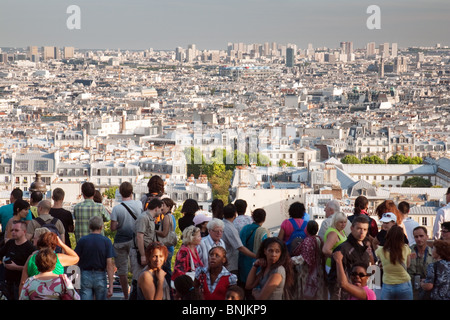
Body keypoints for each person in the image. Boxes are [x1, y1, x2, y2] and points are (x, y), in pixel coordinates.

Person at [110, 181, 143, 300]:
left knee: (122, 271)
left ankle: (126, 295)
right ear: (131, 191)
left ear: (120, 192)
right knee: (136, 269)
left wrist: (120, 224)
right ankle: (136, 294)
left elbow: (113, 228)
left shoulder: (117, 208)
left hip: (120, 241)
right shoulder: (139, 204)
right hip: (135, 240)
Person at [327, 215, 372, 300]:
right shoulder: (343, 249)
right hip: (345, 294)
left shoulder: (366, 247)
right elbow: (336, 279)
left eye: (365, 229)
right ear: (352, 228)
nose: (362, 232)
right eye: (359, 228)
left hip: (361, 292)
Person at [74, 215, 115, 300]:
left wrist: (75, 282)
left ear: (89, 227)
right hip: (100, 274)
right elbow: (109, 265)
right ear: (101, 227)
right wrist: (111, 286)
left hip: (85, 274)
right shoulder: (107, 241)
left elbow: (75, 262)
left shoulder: (83, 240)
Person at [130, 197, 162, 299]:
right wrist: (143, 255)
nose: (161, 212)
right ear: (156, 208)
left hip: (146, 252)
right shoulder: (144, 218)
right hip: (140, 252)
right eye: (161, 209)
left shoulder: (149, 218)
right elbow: (140, 236)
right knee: (138, 280)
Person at [292, 220, 327, 300]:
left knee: (307, 293)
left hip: (308, 272)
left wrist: (289, 260)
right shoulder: (319, 239)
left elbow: (303, 258)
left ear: (307, 229)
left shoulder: (308, 241)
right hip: (319, 271)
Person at [375, 225, 413, 300]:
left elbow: (380, 261)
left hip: (388, 284)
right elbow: (408, 265)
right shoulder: (405, 248)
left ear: (388, 236)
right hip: (404, 283)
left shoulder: (381, 250)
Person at [0, 221, 35, 300]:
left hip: (20, 283)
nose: (13, 232)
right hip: (6, 282)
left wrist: (16, 267)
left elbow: (32, 269)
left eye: (16, 230)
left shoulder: (30, 248)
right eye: (12, 230)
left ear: (24, 232)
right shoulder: (10, 243)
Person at [222, 203, 257, 275]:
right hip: (230, 263)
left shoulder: (222, 224)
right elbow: (240, 247)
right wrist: (256, 256)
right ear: (235, 214)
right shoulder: (230, 228)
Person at [238, 208, 269, 289]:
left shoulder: (245, 228)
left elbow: (240, 245)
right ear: (264, 219)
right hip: (256, 264)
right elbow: (266, 246)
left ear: (253, 217)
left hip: (243, 263)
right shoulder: (263, 232)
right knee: (254, 286)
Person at [407, 226, 434, 300]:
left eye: (421, 236)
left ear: (427, 237)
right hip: (411, 289)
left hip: (428, 291)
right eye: (416, 237)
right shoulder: (407, 252)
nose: (419, 239)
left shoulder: (434, 254)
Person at [155, 197, 177, 280]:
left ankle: (169, 288)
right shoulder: (171, 216)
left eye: (163, 205)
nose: (161, 207)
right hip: (170, 247)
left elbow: (164, 233)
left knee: (166, 270)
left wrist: (155, 231)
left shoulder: (167, 217)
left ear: (168, 207)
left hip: (166, 247)